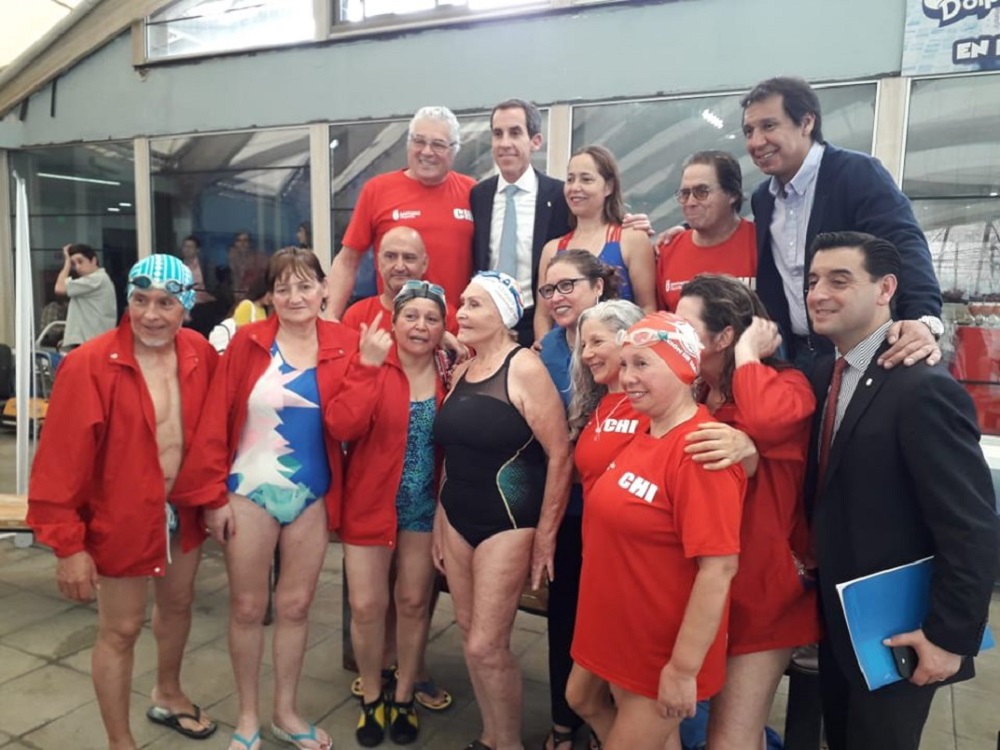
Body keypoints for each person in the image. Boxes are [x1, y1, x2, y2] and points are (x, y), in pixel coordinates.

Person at [804, 231, 999, 750]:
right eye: (813, 281)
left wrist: (948, 638)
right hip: (840, 620)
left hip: (901, 627)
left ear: (886, 288)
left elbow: (971, 526)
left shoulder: (922, 387)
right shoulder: (826, 372)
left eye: (839, 280)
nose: (819, 294)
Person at [173, 247, 371, 750]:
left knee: (297, 606)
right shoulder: (249, 341)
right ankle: (247, 717)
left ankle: (286, 711)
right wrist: (213, 497)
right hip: (248, 491)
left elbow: (350, 421)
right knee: (246, 607)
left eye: (305, 285)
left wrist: (375, 365)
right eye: (283, 288)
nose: (294, 296)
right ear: (270, 295)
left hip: (312, 494)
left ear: (324, 289)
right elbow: (216, 417)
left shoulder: (347, 344)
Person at [27, 254, 219, 750]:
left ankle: (169, 693)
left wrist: (214, 496)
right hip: (120, 516)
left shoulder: (199, 353)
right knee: (121, 629)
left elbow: (215, 430)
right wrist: (68, 546)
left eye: (165, 303)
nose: (150, 314)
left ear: (186, 307)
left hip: (183, 510)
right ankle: (120, 741)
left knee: (178, 605)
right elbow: (58, 465)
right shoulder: (89, 365)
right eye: (140, 300)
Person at [572, 311, 746, 750]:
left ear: (683, 368)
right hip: (618, 623)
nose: (627, 376)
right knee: (580, 698)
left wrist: (683, 669)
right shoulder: (645, 431)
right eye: (625, 363)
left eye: (643, 363)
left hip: (659, 644)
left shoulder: (700, 451)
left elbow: (719, 569)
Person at [674, 274, 819, 750]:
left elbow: (763, 421)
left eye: (686, 327)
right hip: (703, 584)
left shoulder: (787, 384)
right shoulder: (695, 391)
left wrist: (749, 355)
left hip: (761, 590)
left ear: (724, 337)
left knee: (730, 737)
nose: (675, 335)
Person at [432, 271, 572, 750]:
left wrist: (546, 536)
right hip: (456, 516)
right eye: (462, 303)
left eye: (474, 304)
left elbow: (560, 453)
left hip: (507, 521)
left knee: (486, 646)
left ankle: (508, 742)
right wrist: (440, 520)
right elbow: (453, 453)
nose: (461, 313)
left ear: (503, 315)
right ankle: (491, 736)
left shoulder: (524, 368)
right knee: (469, 634)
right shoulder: (462, 370)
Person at [741, 76, 943, 369]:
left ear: (806, 123)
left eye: (769, 126)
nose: (756, 142)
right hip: (796, 357)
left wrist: (922, 318)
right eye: (749, 131)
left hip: (865, 354)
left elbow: (904, 244)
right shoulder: (764, 198)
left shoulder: (857, 174)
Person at [332, 281, 449, 746]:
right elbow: (343, 425)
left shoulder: (450, 371)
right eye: (411, 316)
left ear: (443, 328)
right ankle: (372, 695)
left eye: (432, 318)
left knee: (414, 602)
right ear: (394, 322)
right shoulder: (372, 364)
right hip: (369, 503)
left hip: (423, 507)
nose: (421, 326)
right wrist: (366, 367)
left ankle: (403, 696)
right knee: (366, 606)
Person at [535, 250, 620, 750]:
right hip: (567, 509)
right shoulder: (546, 348)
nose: (557, 297)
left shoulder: (627, 337)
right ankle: (564, 723)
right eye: (549, 289)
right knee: (564, 617)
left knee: (612, 623)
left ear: (598, 286)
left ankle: (609, 722)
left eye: (568, 285)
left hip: (617, 512)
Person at [562, 299, 646, 750]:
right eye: (583, 344)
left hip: (635, 574)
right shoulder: (599, 405)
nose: (587, 353)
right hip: (598, 565)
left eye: (597, 341)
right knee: (582, 696)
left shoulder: (652, 404)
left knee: (638, 708)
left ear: (628, 339)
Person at [327, 106, 476, 317]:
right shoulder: (378, 190)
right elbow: (347, 261)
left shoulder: (472, 192)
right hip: (396, 327)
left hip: (458, 327)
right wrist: (330, 318)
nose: (427, 151)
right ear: (408, 144)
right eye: (419, 141)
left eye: (438, 144)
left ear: (454, 150)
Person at [470, 98, 572, 346]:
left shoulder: (559, 196)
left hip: (538, 323)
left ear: (535, 141)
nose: (505, 143)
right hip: (487, 322)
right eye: (498, 134)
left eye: (515, 133)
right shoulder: (478, 195)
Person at [535, 145, 656, 340]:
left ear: (609, 187)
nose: (575, 187)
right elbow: (543, 315)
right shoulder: (552, 249)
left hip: (618, 349)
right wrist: (546, 349)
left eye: (586, 179)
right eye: (570, 179)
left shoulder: (632, 239)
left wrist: (632, 348)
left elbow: (647, 306)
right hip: (564, 353)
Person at [656, 152, 756, 312]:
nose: (690, 202)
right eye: (685, 194)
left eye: (702, 192)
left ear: (732, 194)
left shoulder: (760, 242)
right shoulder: (667, 250)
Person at [342, 226, 458, 335]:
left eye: (409, 258)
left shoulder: (447, 316)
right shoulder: (356, 317)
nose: (399, 267)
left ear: (424, 264)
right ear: (379, 262)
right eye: (390, 257)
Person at [55, 242, 117, 349]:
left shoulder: (96, 279)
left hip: (91, 342)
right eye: (74, 264)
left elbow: (59, 288)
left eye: (80, 261)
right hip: (94, 341)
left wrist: (67, 263)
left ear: (93, 260)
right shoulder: (99, 279)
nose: (77, 267)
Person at [208, 277, 271, 354]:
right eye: (269, 293)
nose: (270, 297)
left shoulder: (263, 310)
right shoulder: (247, 305)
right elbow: (240, 331)